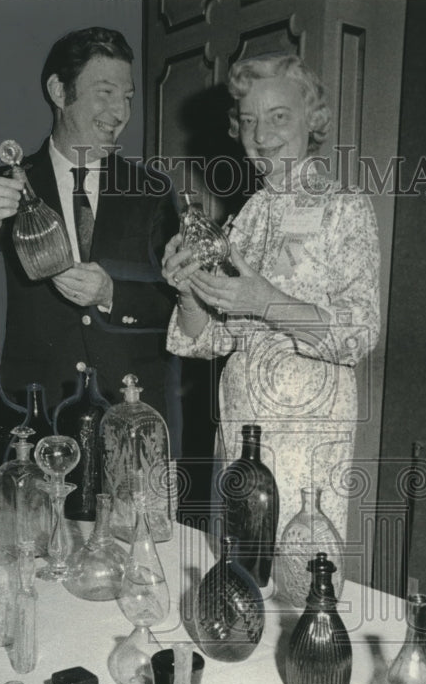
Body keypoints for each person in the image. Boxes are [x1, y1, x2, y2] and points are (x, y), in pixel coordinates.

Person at [161, 52, 381, 553]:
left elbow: (360, 331)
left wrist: (266, 301)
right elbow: (213, 339)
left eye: (279, 117)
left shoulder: (343, 207)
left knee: (295, 581)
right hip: (238, 431)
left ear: (313, 119)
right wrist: (188, 289)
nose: (261, 134)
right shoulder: (247, 218)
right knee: (236, 577)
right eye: (249, 120)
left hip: (306, 441)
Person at [0, 27, 180, 438]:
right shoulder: (8, 183)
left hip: (133, 413)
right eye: (105, 92)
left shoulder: (152, 190)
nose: (120, 112)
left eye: (127, 97)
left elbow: (183, 308)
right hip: (40, 415)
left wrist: (111, 294)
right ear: (59, 92)